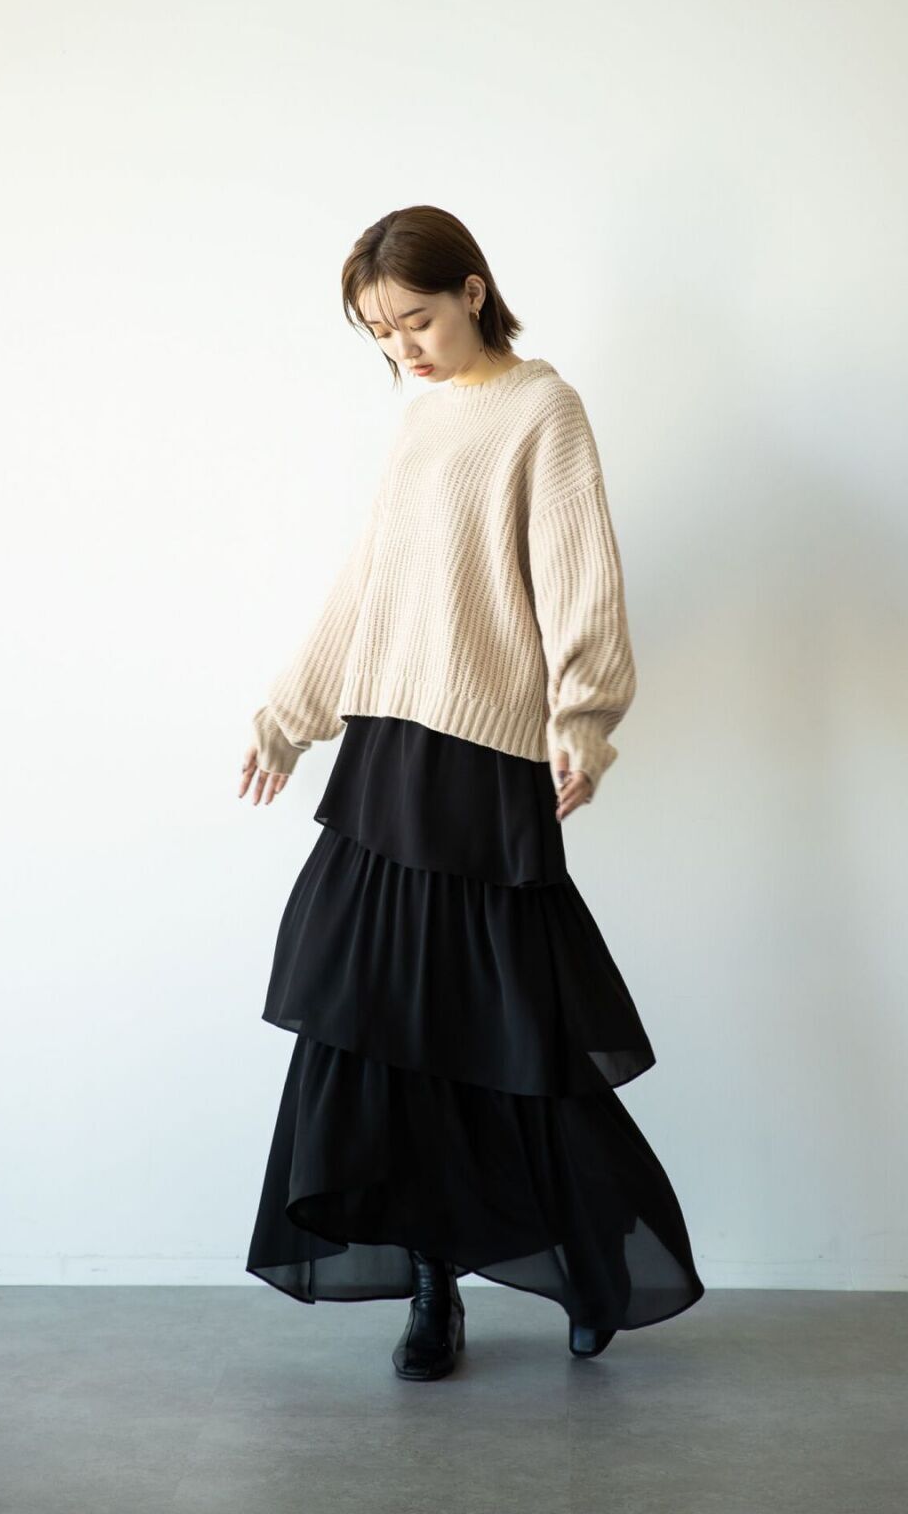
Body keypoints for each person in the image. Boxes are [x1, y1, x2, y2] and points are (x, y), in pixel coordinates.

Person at [238, 204, 704, 1381]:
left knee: (516, 1035)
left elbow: (579, 572)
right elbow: (370, 584)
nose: (403, 347)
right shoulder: (419, 416)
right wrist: (291, 714)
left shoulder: (543, 410)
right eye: (380, 333)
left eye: (416, 320)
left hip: (486, 762)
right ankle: (432, 1288)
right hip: (386, 753)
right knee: (380, 1032)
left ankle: (594, 1261)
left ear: (474, 293)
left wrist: (582, 721)